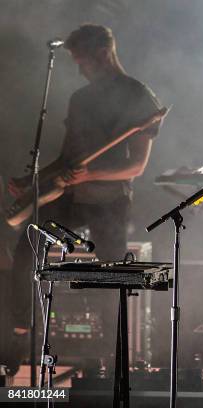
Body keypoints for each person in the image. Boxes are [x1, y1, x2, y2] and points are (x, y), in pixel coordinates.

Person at [2, 24, 162, 375]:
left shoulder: (138, 96)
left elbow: (135, 166)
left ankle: (107, 359)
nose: (79, 68)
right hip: (70, 196)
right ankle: (21, 333)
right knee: (29, 242)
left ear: (103, 54)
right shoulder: (81, 98)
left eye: (82, 60)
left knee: (109, 274)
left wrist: (91, 174)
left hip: (110, 201)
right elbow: (66, 159)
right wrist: (33, 180)